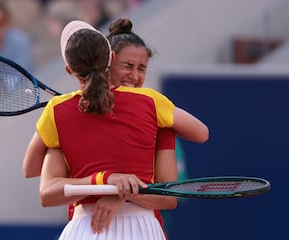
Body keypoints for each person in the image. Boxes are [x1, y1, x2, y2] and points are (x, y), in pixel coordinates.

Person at [24, 20, 208, 239]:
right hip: (141, 228)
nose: (134, 75)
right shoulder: (153, 104)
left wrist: (110, 185)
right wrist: (115, 185)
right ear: (111, 59)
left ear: (69, 69)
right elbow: (201, 133)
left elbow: (31, 170)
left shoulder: (57, 110)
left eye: (141, 68)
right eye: (127, 66)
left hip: (84, 229)